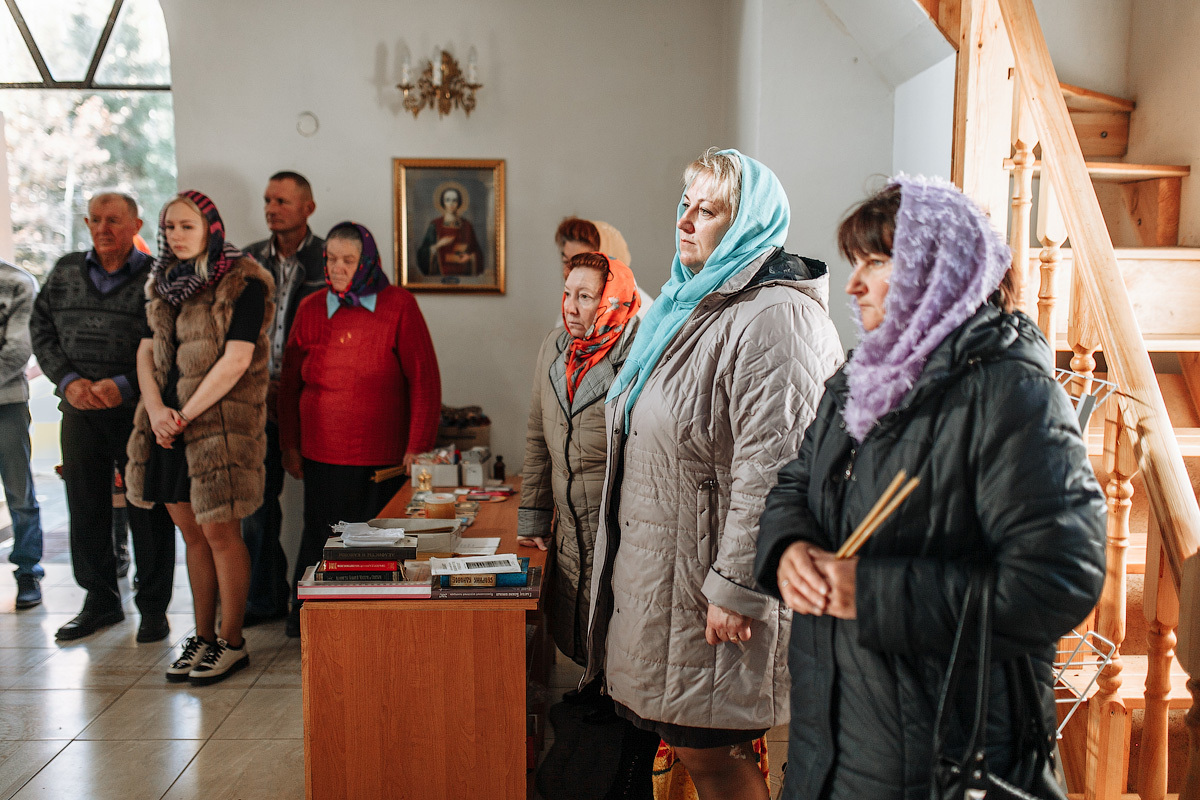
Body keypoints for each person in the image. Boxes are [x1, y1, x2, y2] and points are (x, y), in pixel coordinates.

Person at [753, 177, 1107, 800]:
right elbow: (794, 484)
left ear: (938, 272)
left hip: (938, 760)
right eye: (854, 263)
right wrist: (787, 550)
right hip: (831, 740)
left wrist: (872, 592)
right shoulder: (857, 380)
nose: (854, 284)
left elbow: (1060, 580)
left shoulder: (1012, 393)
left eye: (876, 262)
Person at [584, 148, 843, 799]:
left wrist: (738, 587)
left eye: (711, 209)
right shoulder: (690, 305)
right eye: (685, 205)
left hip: (712, 591)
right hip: (662, 579)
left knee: (714, 760)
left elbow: (778, 468)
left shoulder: (778, 317)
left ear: (751, 220)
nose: (688, 220)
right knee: (690, 751)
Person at [126, 190, 274, 685]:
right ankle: (203, 636)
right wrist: (155, 409)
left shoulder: (245, 281)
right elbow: (146, 353)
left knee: (220, 535)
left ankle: (232, 641)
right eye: (169, 227)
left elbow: (236, 359)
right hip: (166, 426)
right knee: (191, 536)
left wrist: (184, 414)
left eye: (187, 226)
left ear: (211, 226)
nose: (176, 235)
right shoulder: (162, 283)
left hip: (218, 430)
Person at [277, 222, 441, 638]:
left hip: (382, 459)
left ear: (367, 261)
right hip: (320, 455)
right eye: (330, 259)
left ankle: (372, 626)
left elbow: (424, 380)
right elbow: (288, 385)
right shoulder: (311, 307)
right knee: (321, 540)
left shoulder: (398, 305)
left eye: (347, 260)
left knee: (377, 549)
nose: (335, 267)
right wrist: (289, 446)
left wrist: (417, 447)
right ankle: (314, 624)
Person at [30, 191, 176, 642]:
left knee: (146, 507)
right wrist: (68, 380)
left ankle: (153, 608)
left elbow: (169, 343)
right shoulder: (65, 271)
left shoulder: (159, 277)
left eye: (113, 220)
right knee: (86, 505)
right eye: (94, 220)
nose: (102, 228)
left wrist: (124, 386)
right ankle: (100, 602)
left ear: (136, 224)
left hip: (138, 414)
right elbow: (42, 329)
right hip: (79, 409)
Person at [520, 251, 641, 665]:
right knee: (575, 618)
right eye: (567, 292)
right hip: (568, 520)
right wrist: (533, 517)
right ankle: (592, 699)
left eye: (585, 296)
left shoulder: (640, 354)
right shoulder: (554, 346)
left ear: (612, 300)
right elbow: (538, 435)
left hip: (619, 523)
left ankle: (617, 712)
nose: (570, 306)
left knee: (619, 623)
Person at [241, 171, 326, 627]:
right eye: (268, 200)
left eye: (282, 201)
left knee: (320, 512)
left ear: (308, 208)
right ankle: (264, 598)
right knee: (254, 511)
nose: (272, 209)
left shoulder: (330, 258)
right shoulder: (247, 260)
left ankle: (307, 604)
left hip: (310, 401)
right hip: (253, 402)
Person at [0, 258, 44, 609]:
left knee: (19, 493)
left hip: (7, 403)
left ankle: (27, 571)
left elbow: (18, 350)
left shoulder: (17, 282)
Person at [554, 217, 653, 319]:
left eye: (582, 264)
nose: (570, 272)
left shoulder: (643, 315)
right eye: (566, 262)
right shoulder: (570, 310)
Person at [416, 186, 484, 277]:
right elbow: (422, 254)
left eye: (454, 200)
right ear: (443, 202)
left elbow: (477, 252)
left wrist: (470, 257)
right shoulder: (435, 225)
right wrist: (438, 245)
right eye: (448, 200)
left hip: (464, 277)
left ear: (459, 203)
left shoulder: (466, 225)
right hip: (440, 275)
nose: (451, 203)